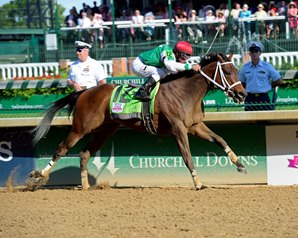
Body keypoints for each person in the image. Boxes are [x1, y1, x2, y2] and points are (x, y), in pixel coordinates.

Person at [131, 41, 201, 101]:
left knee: (166, 73)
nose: (185, 59)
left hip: (148, 65)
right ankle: (141, 91)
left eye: (188, 56)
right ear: (177, 53)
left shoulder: (173, 55)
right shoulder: (167, 52)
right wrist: (190, 66)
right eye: (184, 56)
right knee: (160, 72)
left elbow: (174, 70)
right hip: (139, 64)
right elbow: (170, 65)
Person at [238, 41, 283, 111]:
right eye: (252, 51)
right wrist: (249, 87)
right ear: (249, 53)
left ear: (260, 53)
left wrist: (268, 86)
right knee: (249, 120)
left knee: (265, 120)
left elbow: (279, 80)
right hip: (250, 98)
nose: (254, 53)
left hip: (263, 98)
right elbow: (241, 82)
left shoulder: (267, 66)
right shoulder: (245, 68)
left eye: (256, 51)